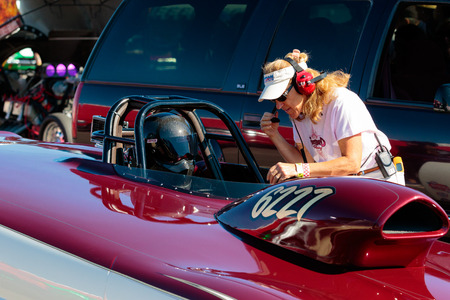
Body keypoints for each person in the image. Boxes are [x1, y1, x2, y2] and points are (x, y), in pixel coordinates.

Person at [259, 49, 404, 185]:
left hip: (377, 182)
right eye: (273, 100)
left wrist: (298, 169)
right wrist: (274, 135)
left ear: (303, 84)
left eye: (281, 97)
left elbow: (351, 163)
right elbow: (308, 166)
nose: (278, 106)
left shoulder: (341, 101)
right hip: (344, 185)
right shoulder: (299, 114)